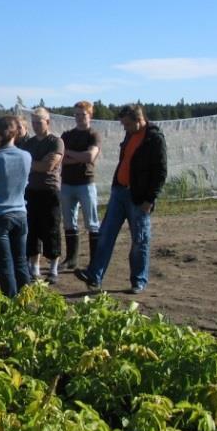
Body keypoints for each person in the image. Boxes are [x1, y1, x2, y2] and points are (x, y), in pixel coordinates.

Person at [76, 104, 168, 294]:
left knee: (139, 240)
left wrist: (149, 199)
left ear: (139, 120)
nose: (124, 128)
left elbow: (160, 172)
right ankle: (94, 276)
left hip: (139, 197)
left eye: (126, 124)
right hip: (119, 192)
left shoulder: (154, 138)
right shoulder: (130, 135)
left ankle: (138, 281)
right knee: (106, 234)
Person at [0, 116, 32, 297]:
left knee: (5, 264)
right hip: (20, 213)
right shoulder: (27, 156)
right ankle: (26, 301)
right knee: (21, 261)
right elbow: (25, 183)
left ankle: (10, 302)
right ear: (16, 132)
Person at [22, 107, 64, 284]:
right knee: (32, 230)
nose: (36, 126)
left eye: (39, 122)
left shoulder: (56, 142)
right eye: (33, 122)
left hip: (50, 191)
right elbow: (27, 165)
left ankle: (53, 269)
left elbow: (49, 166)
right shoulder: (28, 144)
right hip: (31, 191)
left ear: (48, 122)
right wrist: (38, 163)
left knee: (52, 229)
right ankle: (35, 269)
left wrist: (33, 163)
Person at [60, 101, 102, 270]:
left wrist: (69, 154)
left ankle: (95, 260)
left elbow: (89, 157)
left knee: (92, 223)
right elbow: (60, 158)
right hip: (67, 183)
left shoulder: (94, 135)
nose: (78, 118)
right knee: (69, 222)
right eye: (76, 114)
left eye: (82, 114)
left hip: (86, 183)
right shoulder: (67, 135)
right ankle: (71, 259)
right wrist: (77, 156)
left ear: (89, 115)